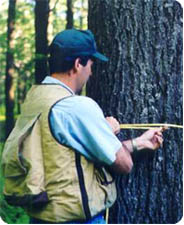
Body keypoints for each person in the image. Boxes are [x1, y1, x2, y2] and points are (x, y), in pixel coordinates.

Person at [2, 29, 165, 224]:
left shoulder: (35, 98)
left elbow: (72, 154)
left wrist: (139, 143)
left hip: (41, 217)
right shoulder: (76, 106)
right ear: (78, 64)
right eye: (90, 65)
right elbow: (124, 164)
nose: (91, 72)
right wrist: (109, 132)